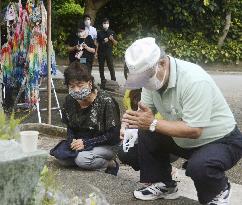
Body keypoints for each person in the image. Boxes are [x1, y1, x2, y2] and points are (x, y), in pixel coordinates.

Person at [120, 37, 242, 204]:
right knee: (140, 137)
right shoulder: (152, 81)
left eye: (146, 77)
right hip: (184, 140)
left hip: (221, 141)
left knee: (199, 166)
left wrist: (152, 123)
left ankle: (219, 192)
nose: (144, 83)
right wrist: (129, 125)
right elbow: (144, 113)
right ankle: (164, 184)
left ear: (162, 63)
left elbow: (194, 130)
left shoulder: (194, 80)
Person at [50, 62, 120, 175]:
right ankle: (84, 158)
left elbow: (113, 135)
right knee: (62, 158)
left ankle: (111, 163)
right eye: (72, 86)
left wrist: (87, 143)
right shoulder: (69, 100)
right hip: (81, 142)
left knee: (82, 160)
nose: (76, 90)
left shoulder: (106, 101)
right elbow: (70, 126)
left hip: (106, 144)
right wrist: (71, 140)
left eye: (80, 85)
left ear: (90, 83)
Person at [96, 18, 117, 89]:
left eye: (107, 23)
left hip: (109, 52)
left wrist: (111, 39)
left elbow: (116, 43)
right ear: (102, 24)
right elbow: (97, 43)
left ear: (109, 24)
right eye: (104, 23)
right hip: (101, 52)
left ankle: (113, 81)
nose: (106, 24)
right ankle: (103, 81)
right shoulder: (99, 32)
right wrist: (96, 52)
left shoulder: (112, 32)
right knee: (101, 67)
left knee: (111, 66)